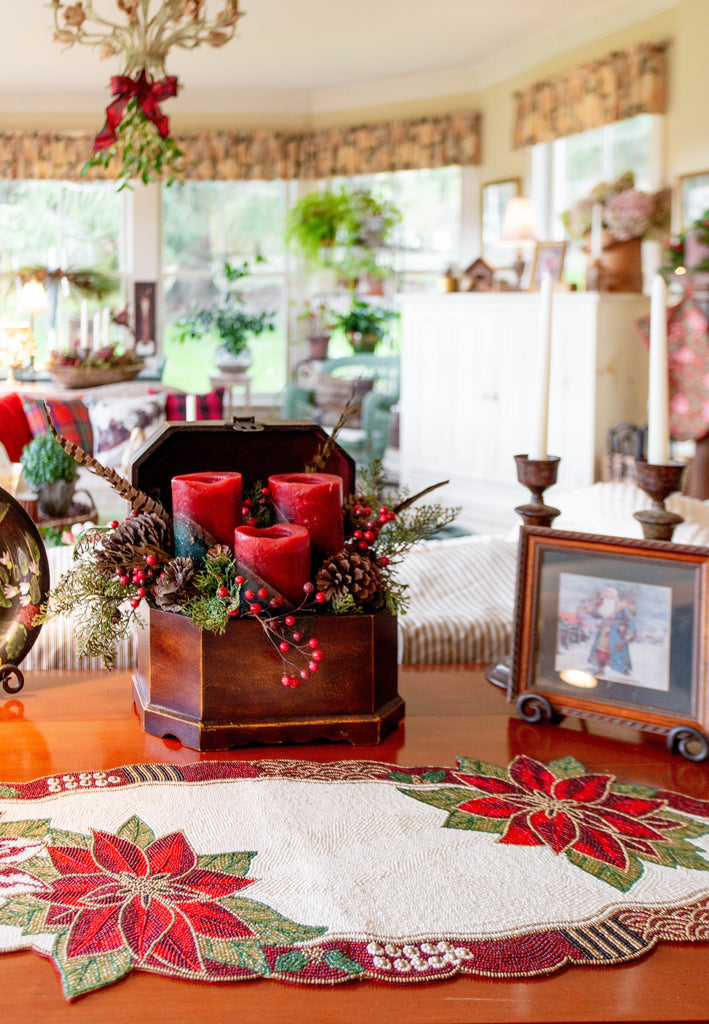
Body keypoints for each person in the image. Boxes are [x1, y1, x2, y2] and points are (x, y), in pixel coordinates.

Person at [587, 584, 635, 677]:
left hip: (616, 634)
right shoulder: (603, 607)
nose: (607, 597)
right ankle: (601, 671)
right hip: (603, 633)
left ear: (614, 596)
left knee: (619, 652)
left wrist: (629, 632)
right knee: (600, 651)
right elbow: (597, 614)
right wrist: (590, 611)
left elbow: (630, 620)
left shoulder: (621, 608)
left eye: (609, 595)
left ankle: (624, 670)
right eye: (605, 595)